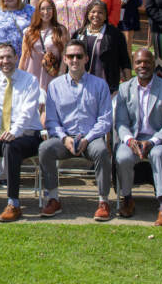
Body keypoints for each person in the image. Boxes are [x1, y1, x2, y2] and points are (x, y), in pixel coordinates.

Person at [39, 40, 113, 221]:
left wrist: (88, 139)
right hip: (65, 138)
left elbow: (105, 120)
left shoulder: (100, 85)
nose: (74, 60)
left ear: (86, 59)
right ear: (64, 59)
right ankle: (53, 198)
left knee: (102, 150)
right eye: (70, 56)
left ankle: (103, 201)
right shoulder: (55, 86)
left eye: (79, 56)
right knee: (45, 149)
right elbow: (51, 120)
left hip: (91, 138)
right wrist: (65, 139)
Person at [0, 43, 43, 221]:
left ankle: (14, 203)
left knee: (10, 147)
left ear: (16, 57)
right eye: (1, 58)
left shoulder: (30, 81)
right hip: (4, 133)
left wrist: (15, 131)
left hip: (28, 135)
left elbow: (28, 112)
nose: (5, 61)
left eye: (8, 57)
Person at [114, 48, 162, 228]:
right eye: (138, 62)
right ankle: (127, 199)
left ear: (154, 64)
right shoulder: (124, 88)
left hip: (159, 140)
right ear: (134, 65)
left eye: (147, 62)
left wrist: (152, 142)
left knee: (159, 155)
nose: (143, 65)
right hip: (133, 139)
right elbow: (120, 122)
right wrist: (129, 140)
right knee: (122, 157)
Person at [73, 1, 132, 94]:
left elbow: (125, 61)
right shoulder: (79, 33)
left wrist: (129, 85)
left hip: (108, 87)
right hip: (82, 86)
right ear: (88, 14)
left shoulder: (115, 34)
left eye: (100, 13)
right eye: (93, 12)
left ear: (105, 16)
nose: (96, 15)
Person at [19, 0, 67, 96]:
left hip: (52, 76)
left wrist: (61, 75)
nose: (46, 12)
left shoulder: (60, 30)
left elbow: (65, 55)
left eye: (49, 8)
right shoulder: (29, 32)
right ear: (38, 11)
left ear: (53, 11)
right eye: (42, 9)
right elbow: (23, 56)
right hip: (32, 75)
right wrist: (19, 77)